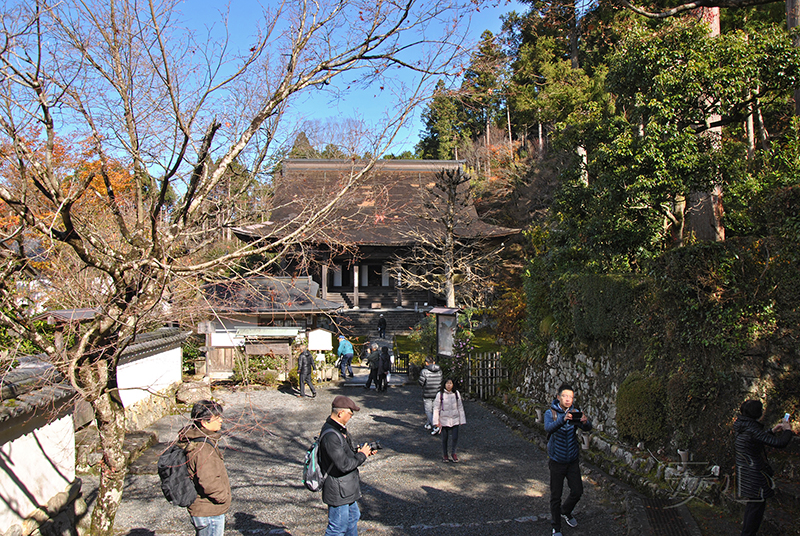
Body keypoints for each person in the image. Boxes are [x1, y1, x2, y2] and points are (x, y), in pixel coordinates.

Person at [734, 399, 793, 536]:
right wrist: (787, 430)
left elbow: (755, 439)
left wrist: (772, 431)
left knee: (753, 505)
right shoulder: (752, 428)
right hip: (754, 474)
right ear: (758, 413)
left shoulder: (742, 424)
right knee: (756, 510)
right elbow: (780, 443)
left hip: (745, 471)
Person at [319, 395, 375, 536]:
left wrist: (360, 451)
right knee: (337, 527)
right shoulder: (331, 435)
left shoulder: (338, 429)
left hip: (345, 488)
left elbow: (344, 454)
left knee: (352, 518)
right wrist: (361, 455)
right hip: (338, 489)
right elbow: (343, 464)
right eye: (350, 414)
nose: (351, 417)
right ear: (340, 413)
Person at [544, 383, 592, 536]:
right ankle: (556, 527)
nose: (568, 399)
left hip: (572, 460)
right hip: (556, 460)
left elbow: (587, 428)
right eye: (565, 396)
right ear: (558, 397)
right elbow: (548, 428)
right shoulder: (550, 413)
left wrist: (585, 422)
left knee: (577, 491)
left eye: (570, 397)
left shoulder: (575, 412)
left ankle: (566, 511)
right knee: (555, 495)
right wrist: (563, 419)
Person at [180, 400, 231, 536]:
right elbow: (208, 481)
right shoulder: (203, 448)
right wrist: (223, 497)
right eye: (217, 417)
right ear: (204, 422)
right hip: (209, 511)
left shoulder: (198, 440)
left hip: (203, 510)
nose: (220, 420)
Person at [433, 378, 466, 462]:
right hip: (444, 419)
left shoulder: (456, 394)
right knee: (445, 438)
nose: (449, 385)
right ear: (444, 384)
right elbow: (436, 408)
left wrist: (462, 420)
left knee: (455, 437)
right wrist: (436, 421)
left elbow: (460, 407)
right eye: (447, 383)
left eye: (450, 383)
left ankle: (454, 453)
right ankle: (445, 454)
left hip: (455, 418)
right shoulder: (440, 394)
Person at [419, 356, 443, 433]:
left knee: (428, 411)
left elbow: (421, 383)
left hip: (427, 393)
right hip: (436, 393)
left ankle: (436, 425)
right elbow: (441, 381)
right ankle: (428, 423)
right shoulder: (439, 371)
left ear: (426, 363)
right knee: (434, 410)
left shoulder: (424, 371)